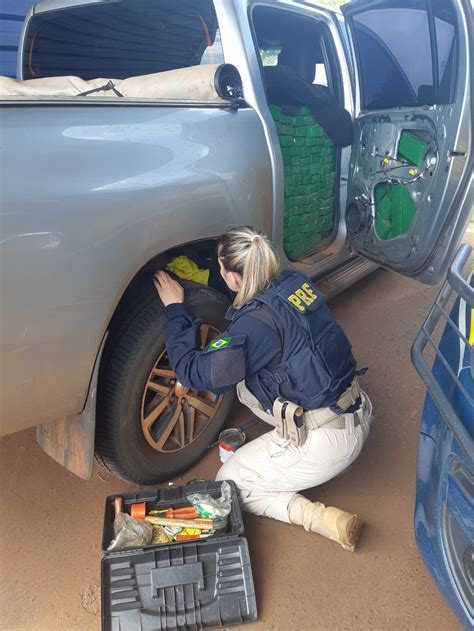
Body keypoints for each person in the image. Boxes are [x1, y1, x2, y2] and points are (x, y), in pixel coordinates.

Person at [154, 226, 373, 551]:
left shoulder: (255, 328)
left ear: (233, 278)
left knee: (230, 483)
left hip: (330, 442)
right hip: (356, 407)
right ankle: (298, 453)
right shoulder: (294, 281)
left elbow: (194, 372)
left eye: (220, 267)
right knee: (245, 386)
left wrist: (175, 309)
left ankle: (318, 518)